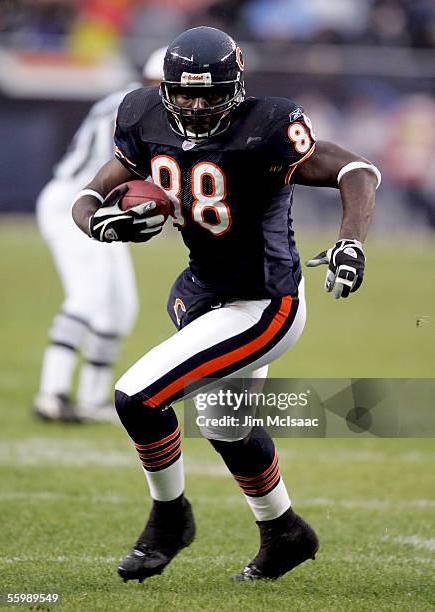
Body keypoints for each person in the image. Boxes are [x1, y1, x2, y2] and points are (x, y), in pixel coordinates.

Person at [72, 27, 380, 581]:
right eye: (185, 94)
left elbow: (355, 169)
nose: (195, 106)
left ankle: (170, 521)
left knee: (137, 398)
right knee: (226, 423)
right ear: (165, 88)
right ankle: (284, 532)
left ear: (235, 87)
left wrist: (351, 240)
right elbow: (91, 193)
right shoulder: (142, 113)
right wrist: (99, 222)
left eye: (210, 94)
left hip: (264, 305)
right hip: (203, 294)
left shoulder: (267, 125)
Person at [33, 47, 166, 423]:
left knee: (120, 308)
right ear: (155, 82)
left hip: (104, 205)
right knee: (88, 296)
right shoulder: (132, 107)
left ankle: (91, 398)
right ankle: (51, 392)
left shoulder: (135, 103)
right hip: (76, 201)